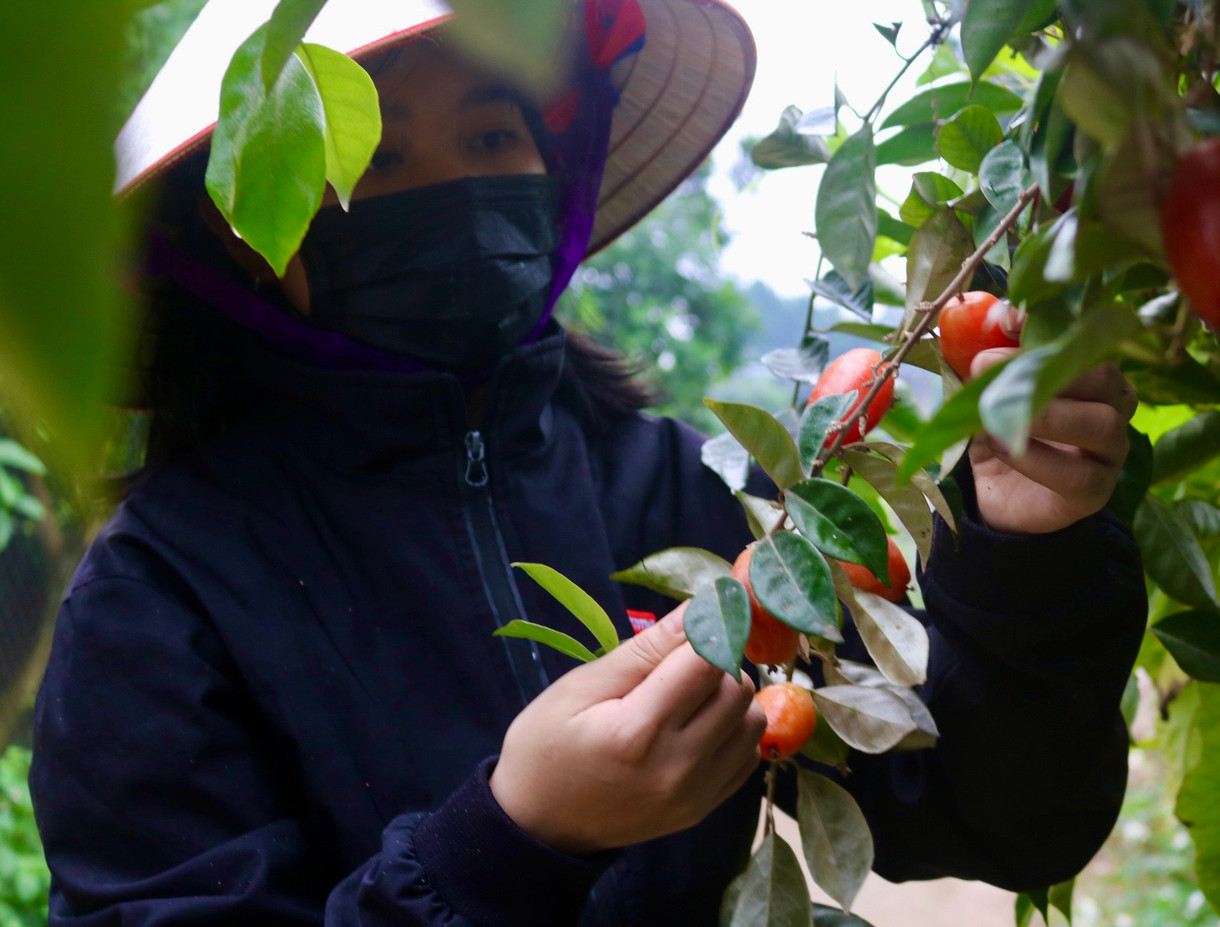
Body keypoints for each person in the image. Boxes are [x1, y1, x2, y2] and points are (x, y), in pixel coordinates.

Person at [29, 0, 1148, 924]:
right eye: (368, 162)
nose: (446, 192)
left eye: (487, 137)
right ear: (245, 241)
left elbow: (1000, 815)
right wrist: (511, 842)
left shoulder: (682, 491)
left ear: (551, 170)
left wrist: (1023, 559)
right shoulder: (159, 597)